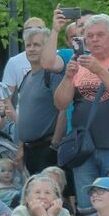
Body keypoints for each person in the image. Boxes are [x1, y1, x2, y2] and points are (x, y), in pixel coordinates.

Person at [48, 12, 109, 212]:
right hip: (84, 149)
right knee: (87, 206)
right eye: (90, 36)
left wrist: (99, 70)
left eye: (100, 35)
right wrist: (67, 77)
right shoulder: (79, 63)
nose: (94, 39)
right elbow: (60, 104)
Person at [13, 26, 66, 175]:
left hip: (47, 148)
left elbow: (64, 109)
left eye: (37, 45)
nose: (31, 49)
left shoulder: (53, 75)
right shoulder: (27, 76)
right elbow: (25, 115)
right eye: (28, 45)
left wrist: (54, 145)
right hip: (29, 151)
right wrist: (21, 146)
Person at [0, 17, 47, 97]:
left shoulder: (56, 57)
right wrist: (12, 110)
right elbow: (5, 97)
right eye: (29, 30)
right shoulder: (14, 62)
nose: (33, 32)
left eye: (38, 29)